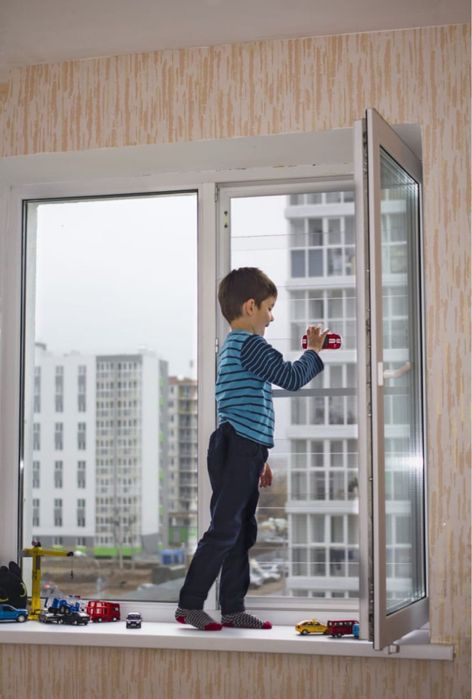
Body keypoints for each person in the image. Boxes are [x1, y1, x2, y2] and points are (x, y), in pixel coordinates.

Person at [175, 267, 327, 631]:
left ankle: (233, 608)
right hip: (238, 447)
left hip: (241, 447)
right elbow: (291, 377)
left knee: (240, 532)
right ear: (250, 307)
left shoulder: (233, 347)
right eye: (269, 308)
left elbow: (244, 407)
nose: (271, 317)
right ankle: (189, 605)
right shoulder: (250, 345)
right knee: (225, 530)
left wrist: (260, 457)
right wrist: (314, 352)